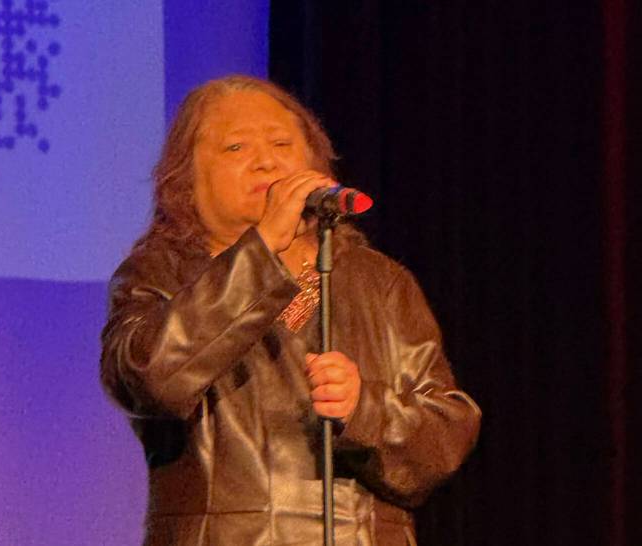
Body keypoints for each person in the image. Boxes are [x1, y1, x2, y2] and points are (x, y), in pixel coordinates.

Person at [100, 75, 481, 545]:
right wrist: (264, 250)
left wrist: (364, 409)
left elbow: (444, 440)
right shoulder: (159, 273)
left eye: (282, 144)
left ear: (316, 165)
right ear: (185, 179)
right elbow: (152, 377)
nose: (266, 161)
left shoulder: (380, 282)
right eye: (236, 148)